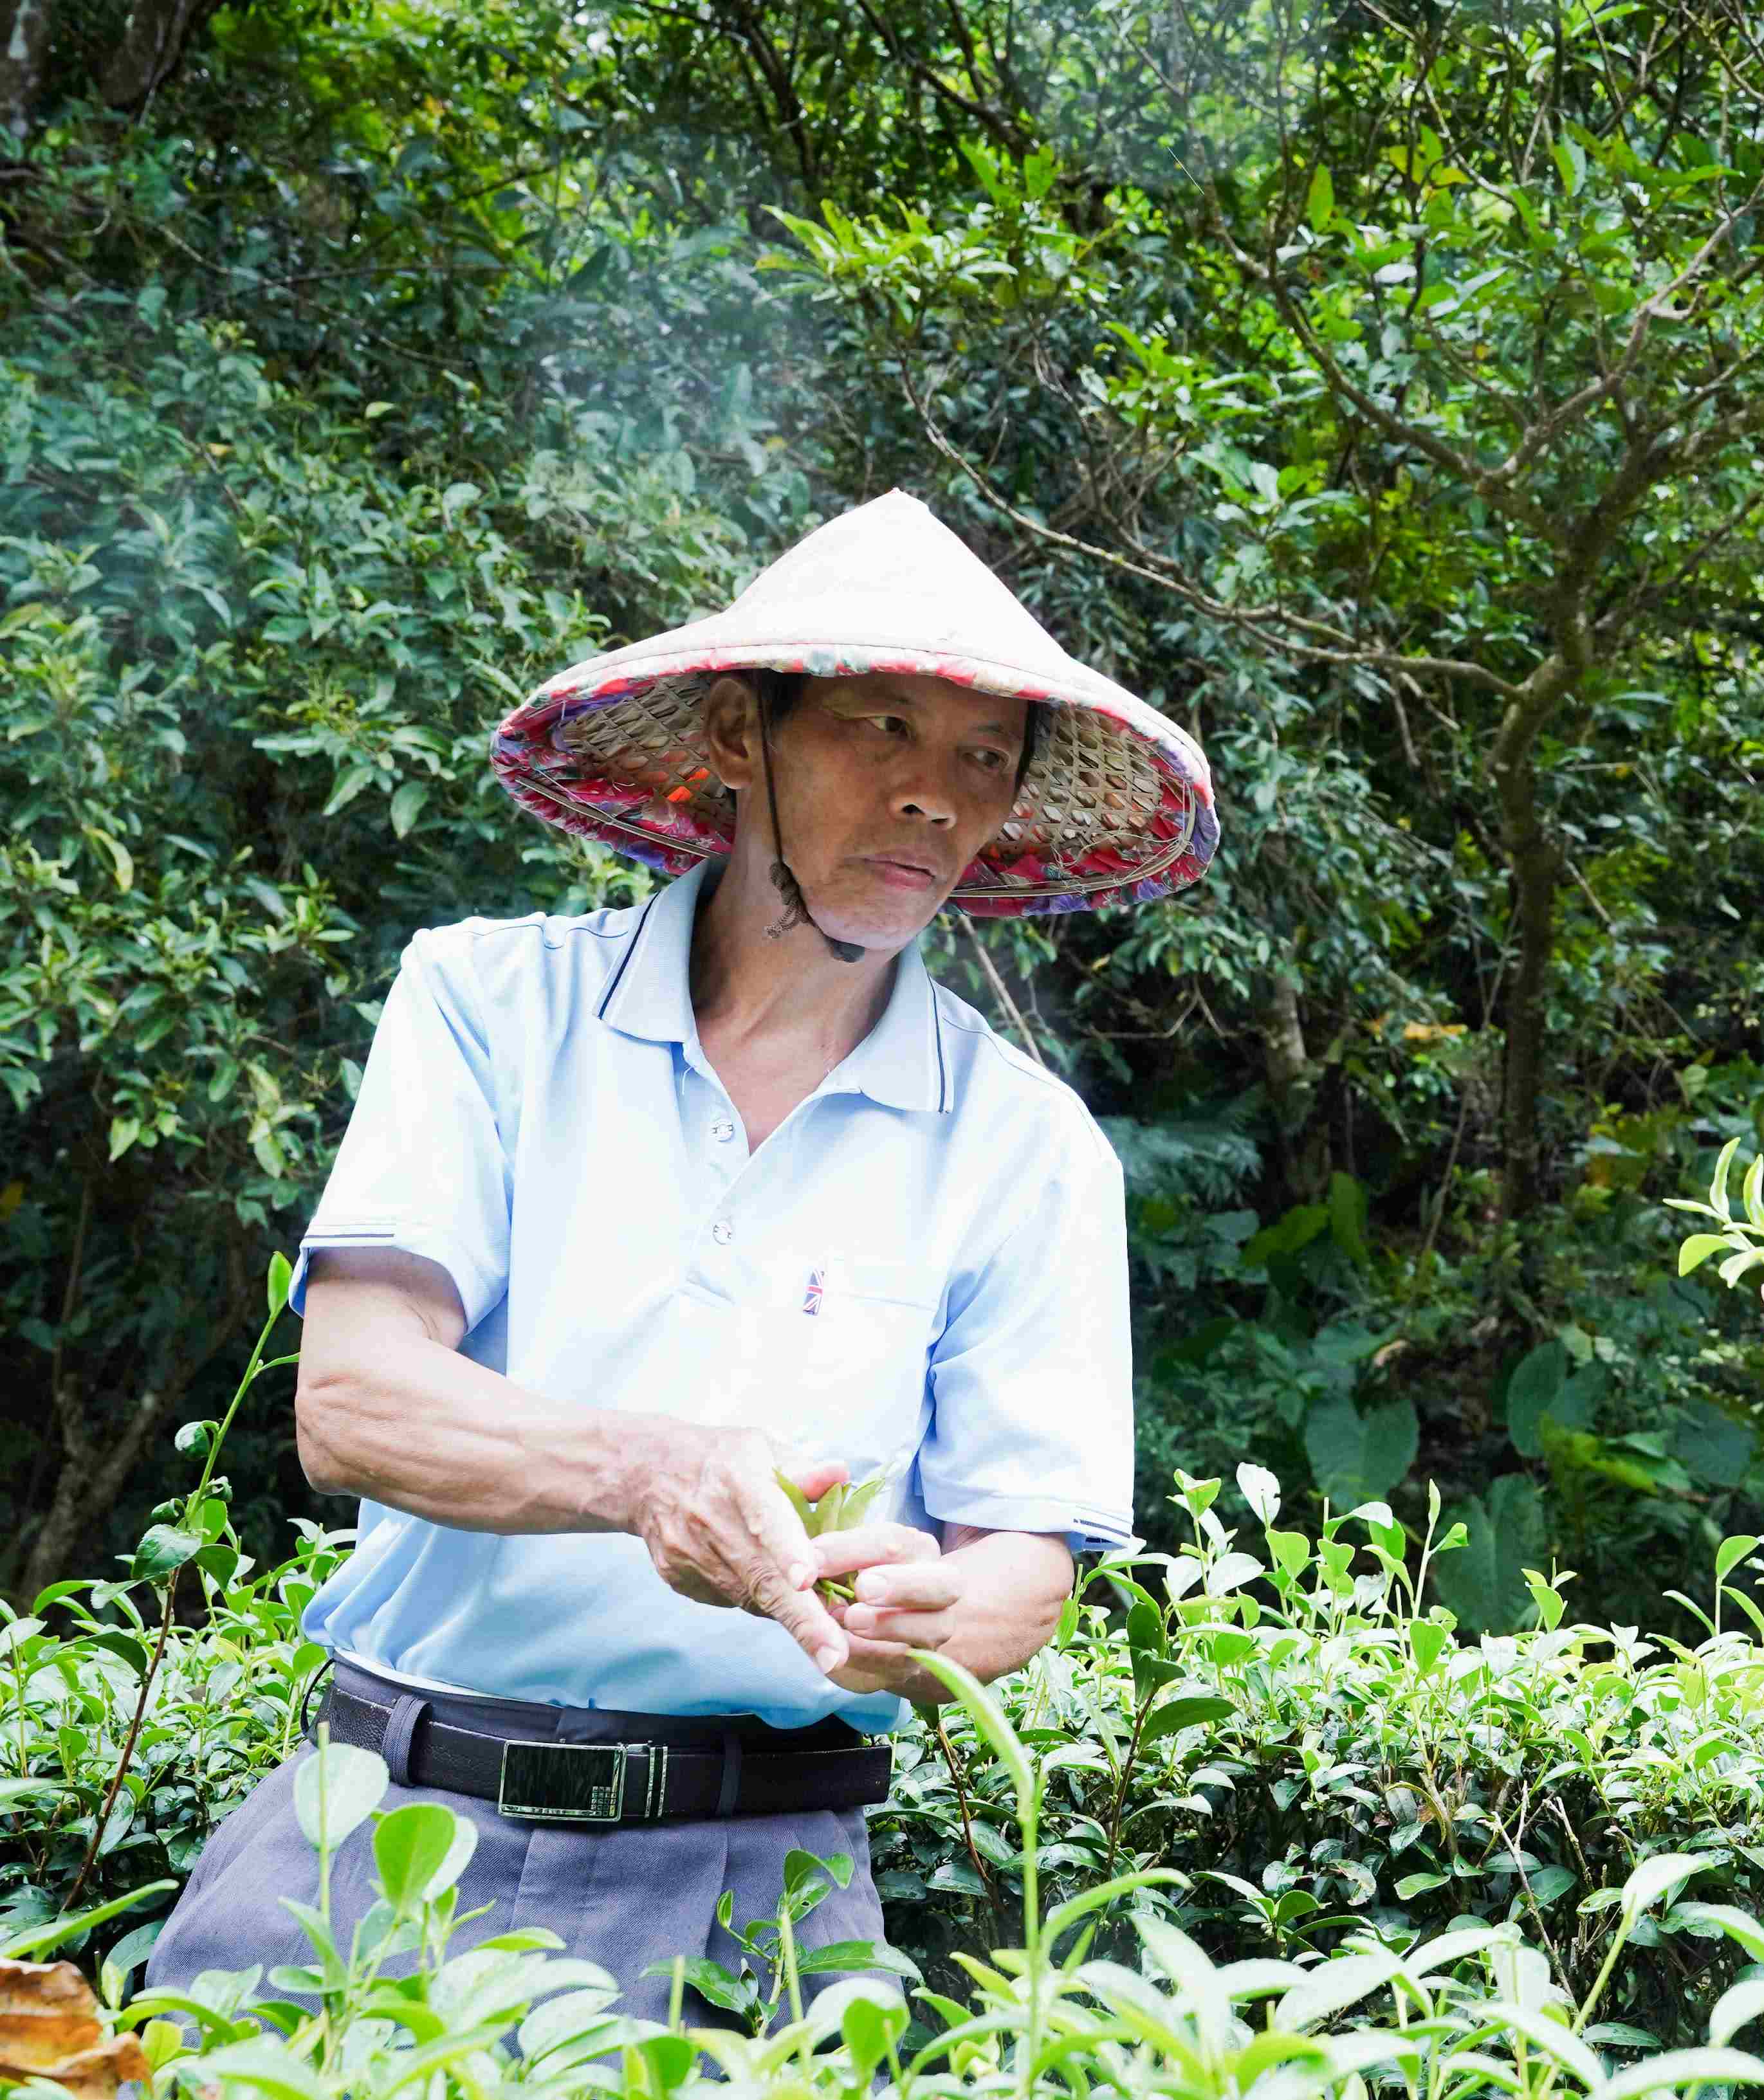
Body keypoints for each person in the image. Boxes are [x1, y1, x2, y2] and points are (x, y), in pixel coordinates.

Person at [144, 490, 1219, 2023]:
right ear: (738, 732)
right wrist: (649, 1471)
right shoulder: (487, 1004)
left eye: (984, 756)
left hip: (763, 1892)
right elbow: (354, 1403)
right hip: (378, 1842)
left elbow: (1023, 1570)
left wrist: (916, 1621)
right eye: (881, 730)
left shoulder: (1028, 1146)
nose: (934, 794)